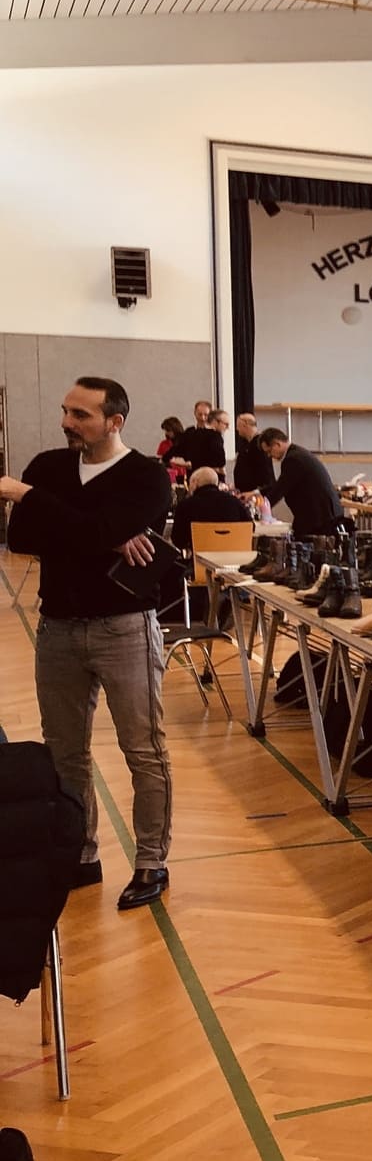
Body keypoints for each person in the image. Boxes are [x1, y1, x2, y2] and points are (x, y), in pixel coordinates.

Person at [0, 377, 175, 909]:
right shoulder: (50, 466)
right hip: (57, 626)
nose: (66, 422)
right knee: (65, 752)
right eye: (65, 411)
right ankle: (81, 854)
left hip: (125, 628)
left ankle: (151, 861)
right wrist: (102, 534)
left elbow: (81, 527)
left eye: (80, 415)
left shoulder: (147, 477)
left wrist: (30, 498)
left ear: (114, 421)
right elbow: (23, 539)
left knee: (143, 750)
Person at [257, 427, 346, 538]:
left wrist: (263, 506)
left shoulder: (293, 458)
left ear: (277, 444)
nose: (269, 456)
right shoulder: (296, 454)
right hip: (320, 513)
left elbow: (280, 489)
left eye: (269, 451)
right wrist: (257, 493)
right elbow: (281, 483)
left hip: (320, 516)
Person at [170, 466, 251, 558]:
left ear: (195, 483)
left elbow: (177, 540)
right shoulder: (234, 502)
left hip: (200, 562)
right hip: (234, 559)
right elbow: (250, 527)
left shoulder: (185, 505)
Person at [233, 411, 272, 493]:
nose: (237, 429)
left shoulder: (259, 444)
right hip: (246, 492)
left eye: (238, 425)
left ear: (245, 424)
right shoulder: (248, 444)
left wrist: (258, 491)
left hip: (254, 494)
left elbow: (264, 471)